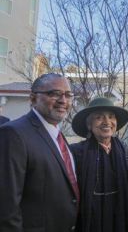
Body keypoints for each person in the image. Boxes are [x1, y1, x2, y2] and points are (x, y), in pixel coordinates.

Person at [0, 73, 78, 231]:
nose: (63, 100)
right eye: (54, 94)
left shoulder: (57, 136)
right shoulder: (13, 134)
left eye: (68, 95)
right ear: (33, 98)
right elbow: (6, 205)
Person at [70, 97, 128, 232]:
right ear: (89, 125)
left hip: (117, 213)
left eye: (111, 117)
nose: (107, 122)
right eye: (99, 117)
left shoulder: (123, 149)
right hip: (90, 216)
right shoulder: (76, 152)